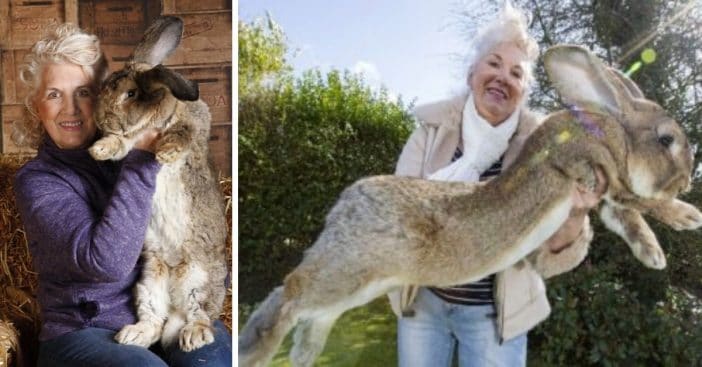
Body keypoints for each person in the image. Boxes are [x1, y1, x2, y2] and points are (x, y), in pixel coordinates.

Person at [389, 3, 605, 367]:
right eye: (494, 63)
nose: (503, 77)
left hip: (494, 316)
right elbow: (398, 214)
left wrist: (575, 214)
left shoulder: (544, 150)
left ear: (523, 91)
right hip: (424, 305)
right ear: (473, 71)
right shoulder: (430, 132)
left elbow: (547, 256)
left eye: (516, 73)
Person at [12, 23, 232, 367]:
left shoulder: (139, 150)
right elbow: (106, 263)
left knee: (210, 357)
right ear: (35, 105)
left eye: (84, 92)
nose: (70, 108)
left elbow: (194, 233)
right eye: (54, 94)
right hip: (83, 333)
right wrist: (143, 159)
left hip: (164, 315)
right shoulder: (38, 180)